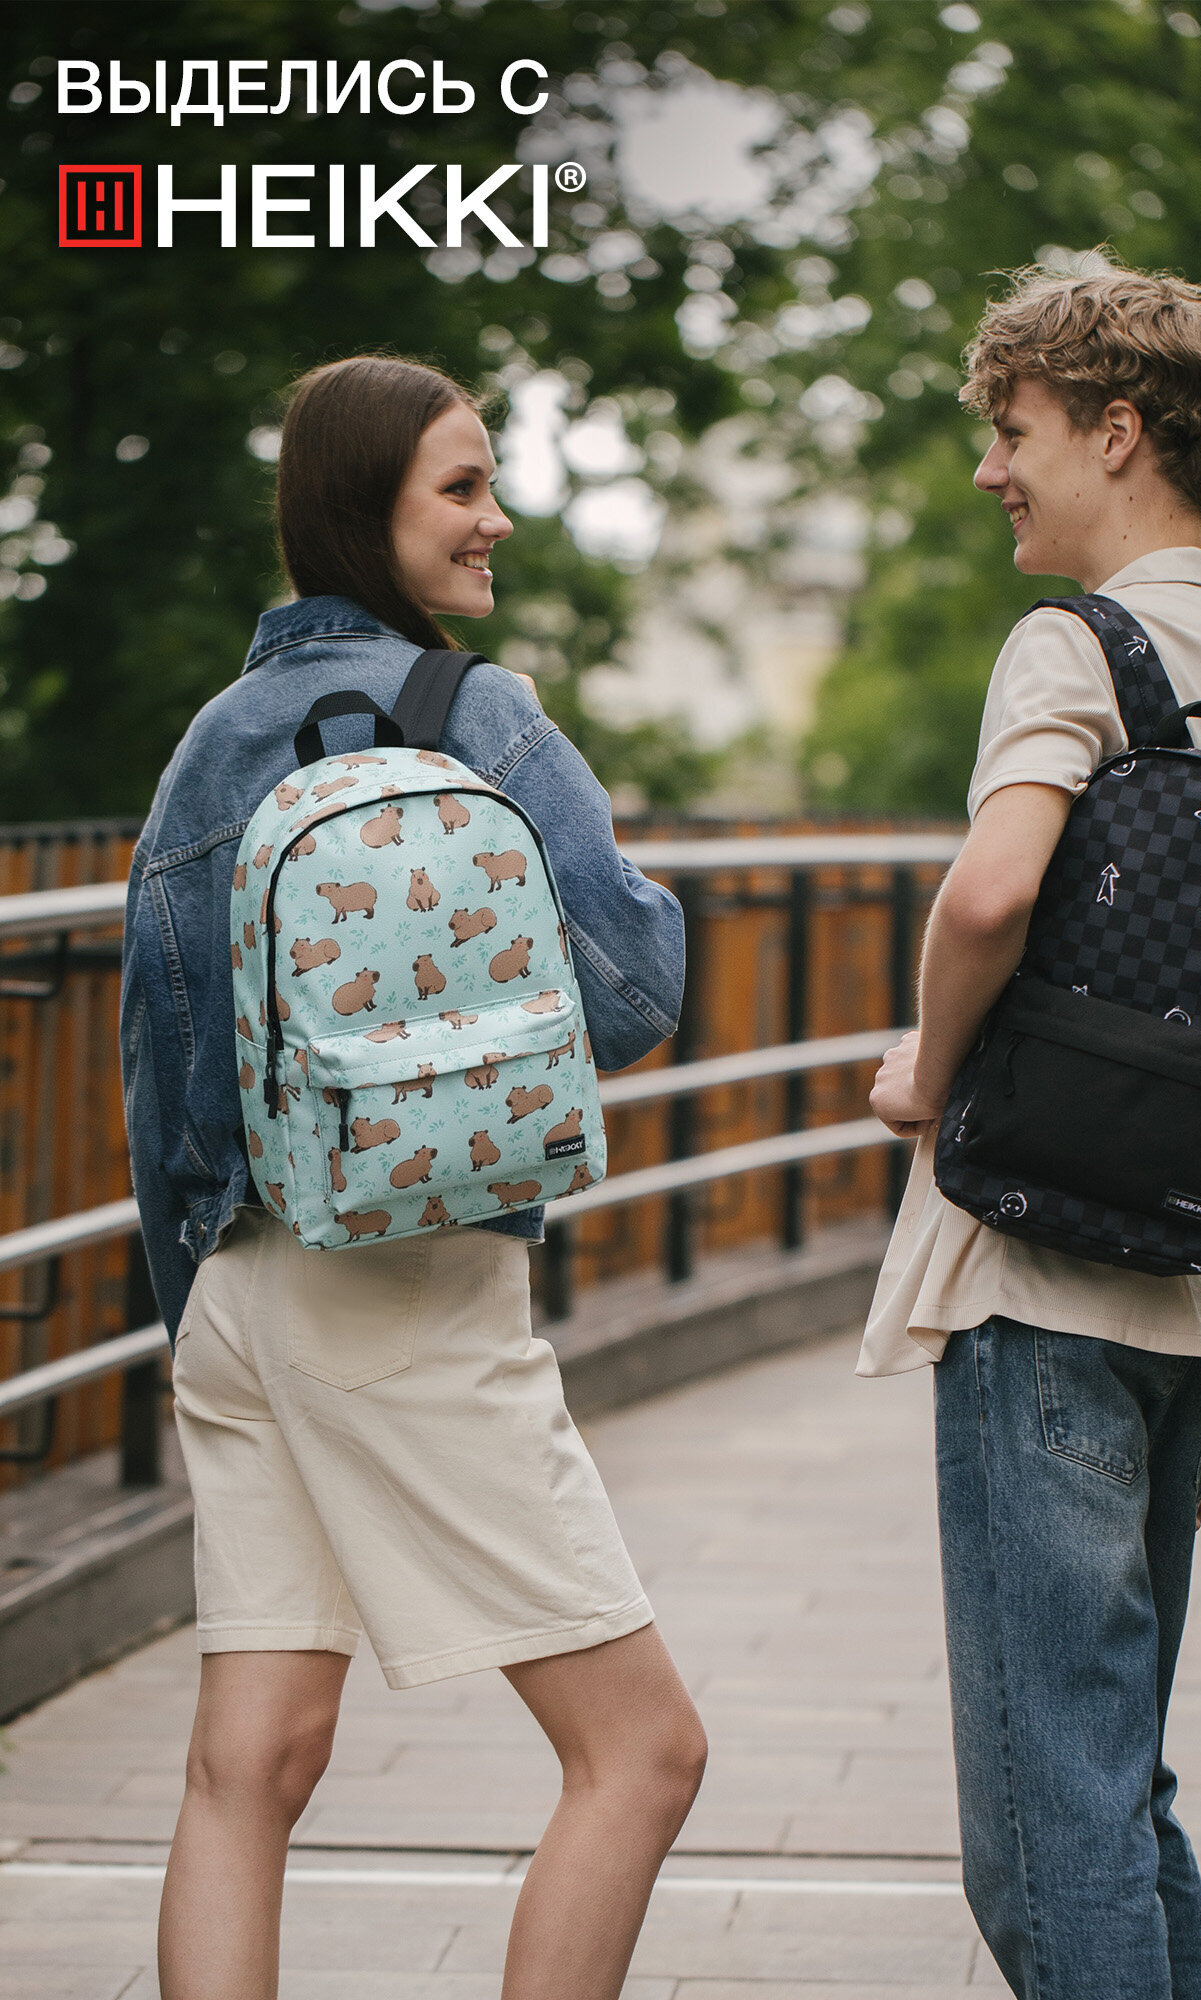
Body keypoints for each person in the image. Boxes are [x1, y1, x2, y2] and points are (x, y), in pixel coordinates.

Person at [120, 355, 706, 2000]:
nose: (495, 518)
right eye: (460, 486)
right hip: (403, 1290)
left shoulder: (211, 747)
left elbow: (161, 1053)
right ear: (366, 506)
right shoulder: (479, 714)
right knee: (644, 1755)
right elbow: (635, 993)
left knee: (254, 1763)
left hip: (235, 1293)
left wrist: (200, 1302)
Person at [863, 260, 1201, 1999]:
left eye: (1016, 428)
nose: (993, 465)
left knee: (1045, 1832)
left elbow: (992, 892)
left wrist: (925, 1066)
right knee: (1115, 1788)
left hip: (1045, 1282)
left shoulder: (1076, 643)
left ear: (1114, 431)